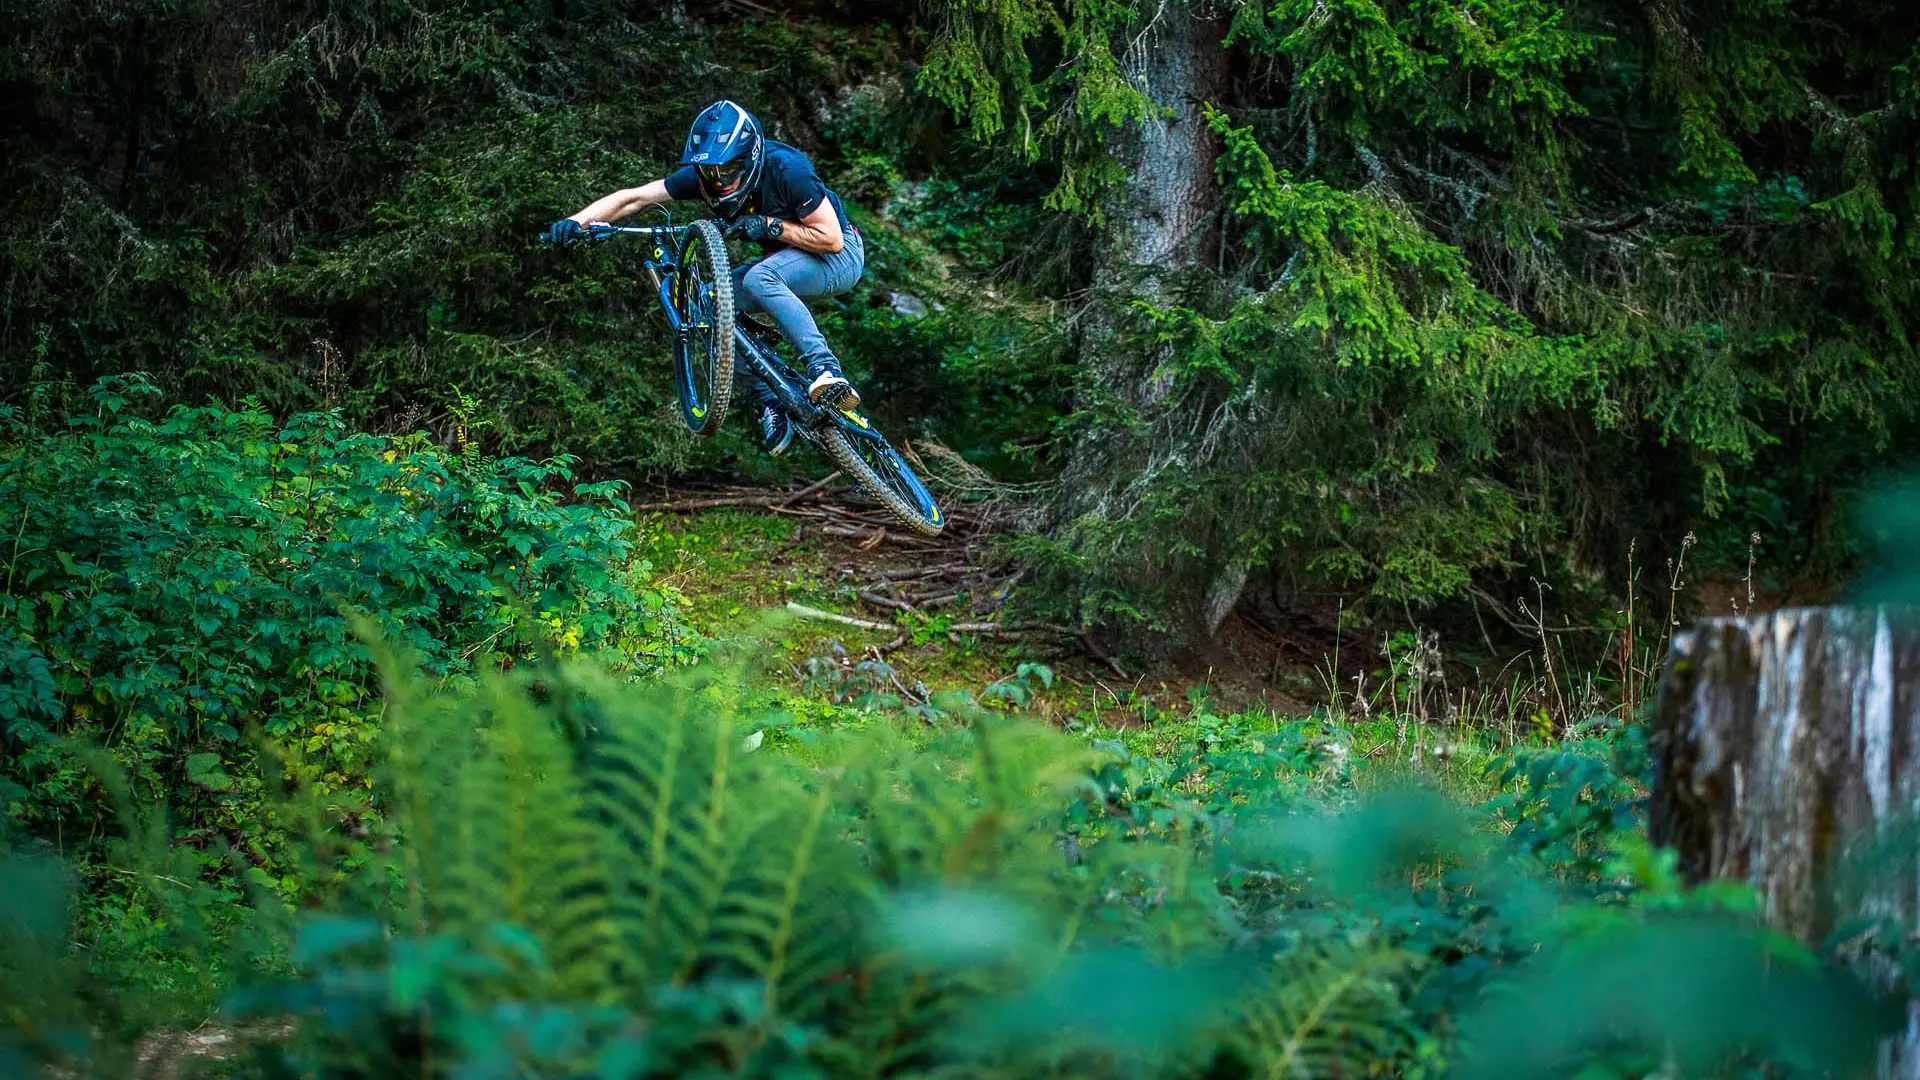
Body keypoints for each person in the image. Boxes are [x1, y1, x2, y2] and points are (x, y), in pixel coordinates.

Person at [546, 100, 864, 456]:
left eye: (730, 171)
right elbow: (632, 198)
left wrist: (769, 225)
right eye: (711, 173)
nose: (721, 182)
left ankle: (825, 369)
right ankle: (770, 401)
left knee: (760, 277)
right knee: (707, 303)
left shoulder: (788, 169)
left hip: (839, 257)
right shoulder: (706, 177)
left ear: (750, 157)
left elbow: (831, 239)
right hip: (785, 262)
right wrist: (577, 222)